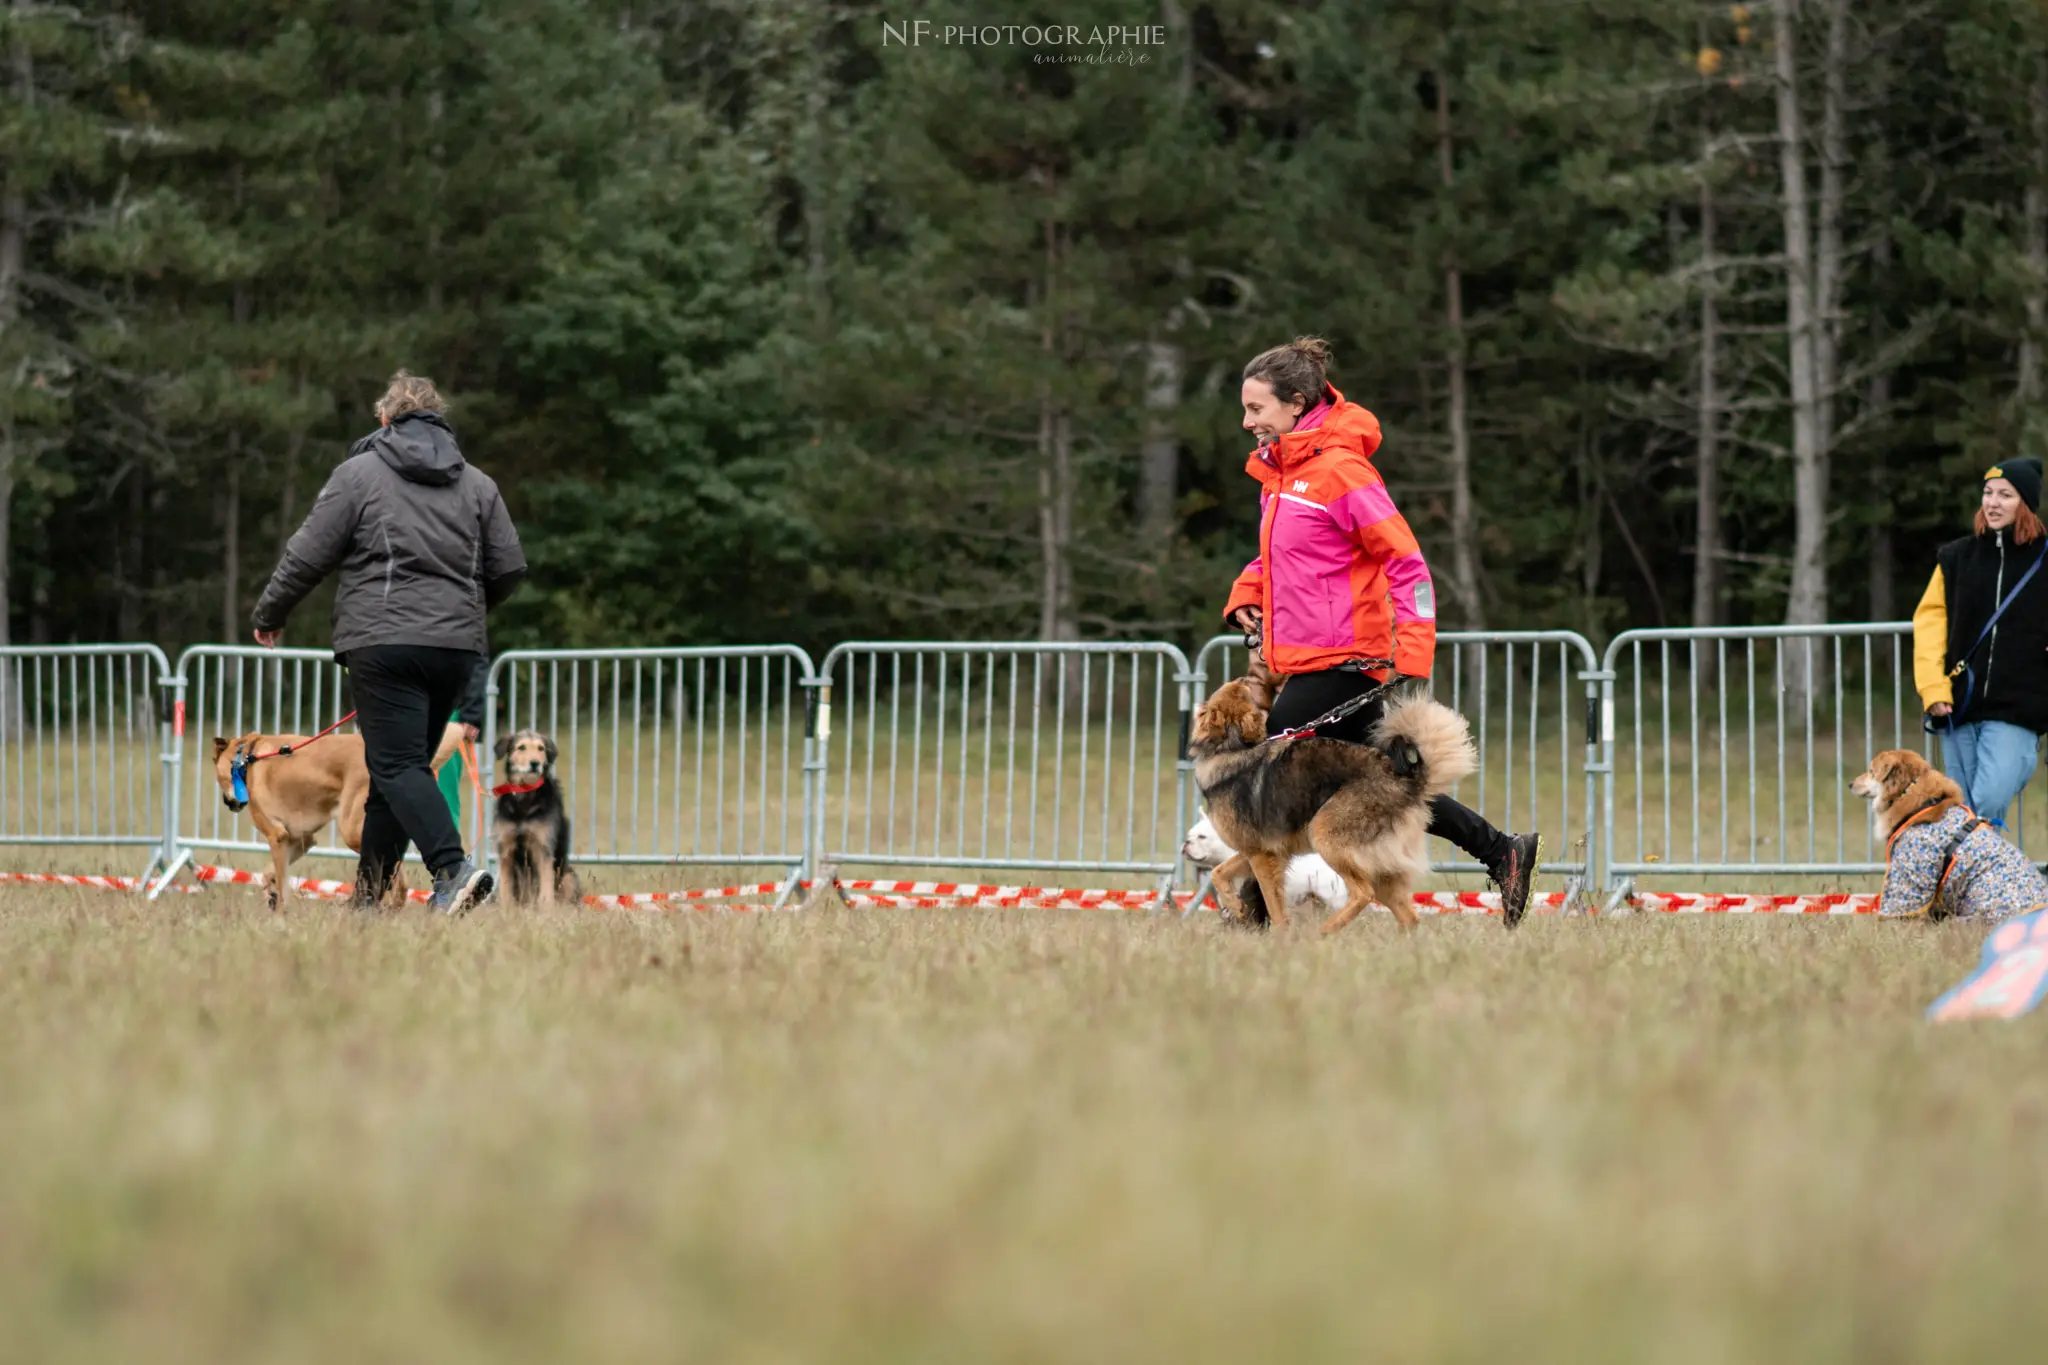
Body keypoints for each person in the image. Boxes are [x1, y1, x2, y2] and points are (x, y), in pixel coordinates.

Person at [1220, 337, 1543, 926]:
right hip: (1306, 655)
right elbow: (1279, 557)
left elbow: (1408, 564)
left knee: (1276, 771)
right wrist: (1246, 593)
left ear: (1296, 404)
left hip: (1346, 657)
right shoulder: (1280, 474)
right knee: (1389, 780)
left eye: (1256, 409)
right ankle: (1503, 852)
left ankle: (1254, 917)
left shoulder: (1342, 470)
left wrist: (1415, 648)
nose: (1246, 422)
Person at [252, 369, 526, 914]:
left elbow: (308, 554)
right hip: (454, 649)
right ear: (438, 418)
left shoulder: (359, 475)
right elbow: (510, 568)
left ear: (384, 418)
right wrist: (463, 613)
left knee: (397, 767)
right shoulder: (478, 483)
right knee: (397, 773)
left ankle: (453, 872)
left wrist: (270, 612)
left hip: (382, 643)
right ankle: (369, 899)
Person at [1912, 457, 2048, 830]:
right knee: (1964, 810)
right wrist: (1933, 688)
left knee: (1985, 801)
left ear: (2026, 503)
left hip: (2020, 708)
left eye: (2005, 494)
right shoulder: (1955, 558)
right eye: (1988, 493)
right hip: (1958, 705)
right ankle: (1983, 886)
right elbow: (1929, 625)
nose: (1993, 502)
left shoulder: (2044, 559)